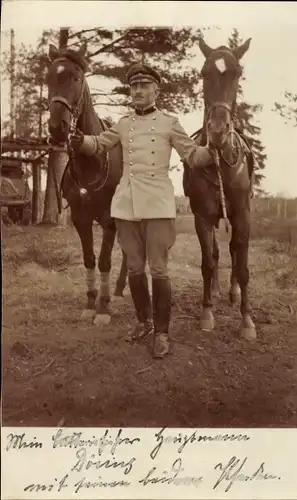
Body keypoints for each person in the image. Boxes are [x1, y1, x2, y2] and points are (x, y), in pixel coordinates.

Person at [70, 62, 214, 359]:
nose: (137, 91)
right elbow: (99, 144)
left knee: (158, 270)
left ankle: (162, 332)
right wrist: (79, 140)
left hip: (158, 205)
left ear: (155, 91)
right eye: (134, 86)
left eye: (144, 86)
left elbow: (192, 155)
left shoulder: (169, 122)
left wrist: (214, 147)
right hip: (126, 205)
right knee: (135, 268)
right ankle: (143, 322)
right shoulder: (123, 123)